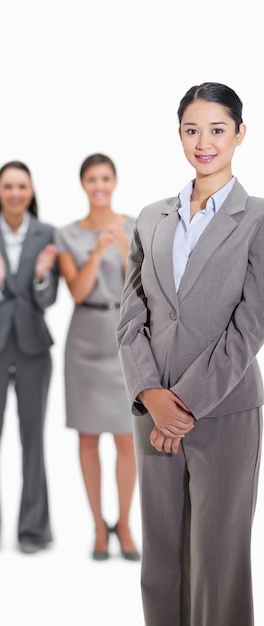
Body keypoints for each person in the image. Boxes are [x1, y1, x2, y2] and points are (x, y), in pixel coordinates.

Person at [117, 82, 264, 626]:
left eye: (217, 129)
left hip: (224, 411)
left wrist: (182, 406)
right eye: (192, 129)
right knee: (161, 563)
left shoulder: (257, 218)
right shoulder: (151, 217)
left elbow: (250, 326)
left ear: (240, 134)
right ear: (179, 133)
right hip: (151, 410)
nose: (204, 142)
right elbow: (131, 313)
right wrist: (151, 396)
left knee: (218, 561)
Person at [0, 161, 58, 555]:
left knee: (33, 439)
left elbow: (49, 298)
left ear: (31, 191)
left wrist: (40, 276)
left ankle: (34, 529)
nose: (16, 192)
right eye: (9, 186)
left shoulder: (47, 234)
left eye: (22, 186)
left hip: (34, 347)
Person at [55, 153, 140, 561]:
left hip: (125, 338)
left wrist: (123, 249)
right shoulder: (67, 234)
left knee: (128, 438)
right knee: (88, 437)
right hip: (85, 341)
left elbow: (143, 289)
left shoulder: (135, 227)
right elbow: (77, 290)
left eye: (105, 177)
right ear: (83, 184)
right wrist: (96, 251)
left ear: (115, 181)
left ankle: (124, 523)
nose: (99, 185)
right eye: (92, 178)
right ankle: (97, 527)